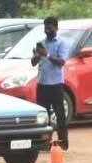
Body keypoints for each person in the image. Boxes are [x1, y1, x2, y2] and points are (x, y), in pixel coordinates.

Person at [31, 17, 69, 150]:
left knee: (60, 115)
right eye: (46, 28)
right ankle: (44, 143)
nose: (47, 30)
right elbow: (33, 63)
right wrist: (36, 56)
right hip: (42, 84)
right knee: (43, 115)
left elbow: (61, 62)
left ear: (56, 28)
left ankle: (63, 142)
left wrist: (46, 55)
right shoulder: (41, 43)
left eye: (50, 28)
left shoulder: (62, 43)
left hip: (56, 84)